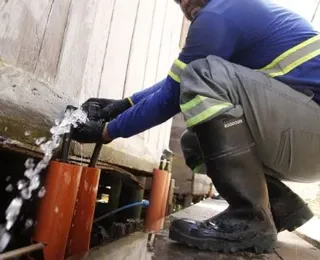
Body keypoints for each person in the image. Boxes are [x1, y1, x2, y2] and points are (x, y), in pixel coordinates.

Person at [72, 0, 320, 253]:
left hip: (310, 133)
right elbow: (174, 85)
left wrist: (106, 131)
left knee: (204, 74)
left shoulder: (219, 14)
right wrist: (124, 105)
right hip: (304, 135)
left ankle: (249, 219)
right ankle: (276, 204)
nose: (186, 4)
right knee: (197, 141)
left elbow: (175, 92)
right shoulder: (233, 12)